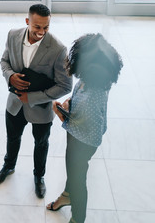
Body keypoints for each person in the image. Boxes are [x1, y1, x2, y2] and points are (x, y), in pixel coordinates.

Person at [0, 4, 73, 199]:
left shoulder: (58, 49)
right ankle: (8, 166)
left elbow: (65, 86)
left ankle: (39, 177)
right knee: (12, 138)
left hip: (41, 109)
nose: (42, 32)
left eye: (46, 27)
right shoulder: (12, 35)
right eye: (37, 27)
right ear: (27, 21)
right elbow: (4, 61)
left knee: (41, 143)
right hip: (14, 104)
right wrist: (10, 76)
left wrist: (33, 97)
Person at [46, 33, 123, 223]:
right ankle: (66, 195)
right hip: (84, 137)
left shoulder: (92, 94)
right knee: (74, 172)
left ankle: (77, 219)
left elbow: (79, 122)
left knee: (78, 180)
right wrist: (70, 102)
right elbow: (79, 99)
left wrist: (59, 112)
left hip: (82, 141)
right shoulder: (97, 80)